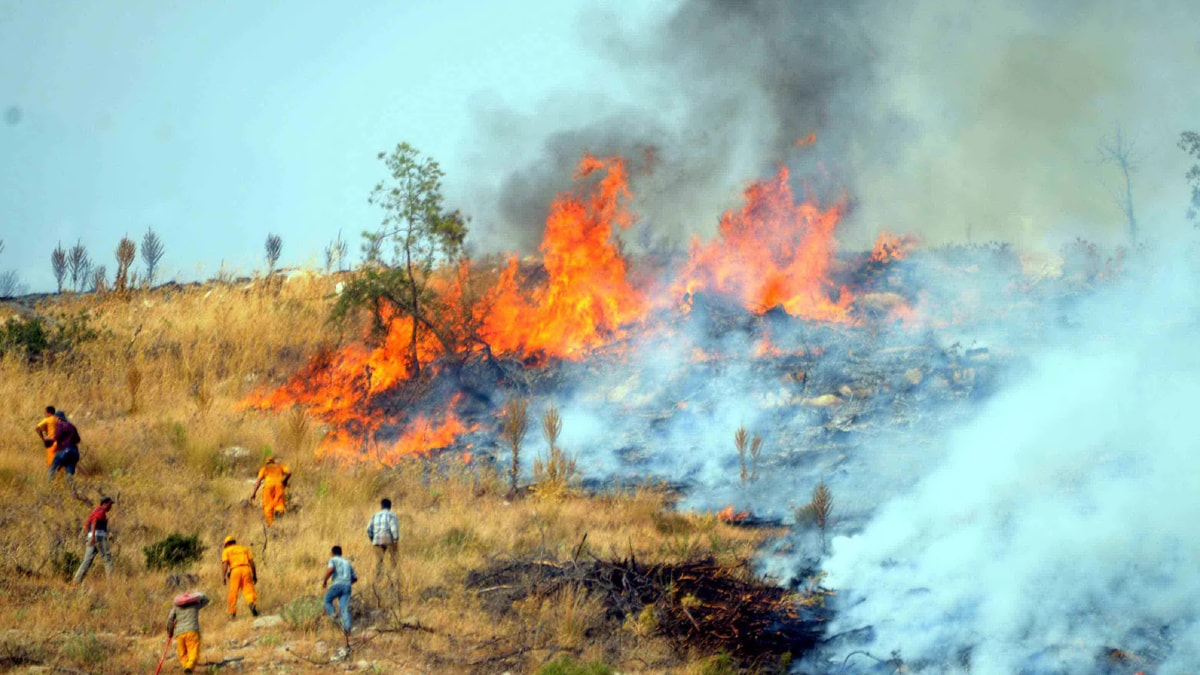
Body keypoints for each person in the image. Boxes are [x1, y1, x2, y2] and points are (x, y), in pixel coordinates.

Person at [166, 592, 210, 674]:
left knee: (182, 654)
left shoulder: (176, 608)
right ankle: (189, 668)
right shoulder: (195, 605)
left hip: (180, 633)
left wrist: (170, 632)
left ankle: (186, 669)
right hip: (192, 632)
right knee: (193, 652)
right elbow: (206, 600)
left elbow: (170, 620)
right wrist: (199, 595)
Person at [73, 497, 114, 583]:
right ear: (105, 504)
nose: (111, 507)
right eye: (110, 504)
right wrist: (94, 537)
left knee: (87, 560)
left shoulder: (95, 511)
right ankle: (111, 583)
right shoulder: (101, 511)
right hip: (99, 538)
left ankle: (76, 581)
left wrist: (90, 535)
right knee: (107, 559)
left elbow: (86, 525)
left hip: (92, 538)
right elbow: (95, 519)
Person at [321, 545, 357, 633]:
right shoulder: (347, 562)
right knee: (344, 608)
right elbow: (355, 578)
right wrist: (347, 583)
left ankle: (335, 619)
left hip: (337, 584)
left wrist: (325, 581)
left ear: (332, 553)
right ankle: (347, 629)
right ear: (341, 553)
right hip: (347, 586)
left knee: (327, 601)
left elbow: (330, 570)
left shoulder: (333, 560)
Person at [220, 536, 258, 618]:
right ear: (234, 542)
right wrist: (254, 575)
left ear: (226, 544)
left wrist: (223, 576)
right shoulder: (244, 549)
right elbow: (252, 562)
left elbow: (225, 564)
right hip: (246, 569)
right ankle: (251, 603)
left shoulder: (226, 551)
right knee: (248, 590)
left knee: (233, 592)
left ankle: (232, 612)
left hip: (235, 571)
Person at [249, 456, 291, 525]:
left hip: (268, 487)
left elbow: (258, 481)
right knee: (279, 503)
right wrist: (284, 481)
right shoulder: (280, 467)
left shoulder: (264, 468)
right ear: (274, 462)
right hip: (279, 485)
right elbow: (289, 472)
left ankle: (270, 523)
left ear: (266, 463)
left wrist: (254, 493)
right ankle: (279, 512)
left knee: (268, 506)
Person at [366, 498, 400, 577]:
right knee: (393, 558)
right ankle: (392, 575)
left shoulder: (375, 515)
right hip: (389, 539)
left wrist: (372, 539)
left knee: (379, 560)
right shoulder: (392, 515)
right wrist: (395, 539)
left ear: (381, 506)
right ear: (390, 506)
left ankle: (378, 576)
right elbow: (394, 528)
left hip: (377, 539)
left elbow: (368, 529)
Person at [48, 411, 81, 483]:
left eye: (55, 418)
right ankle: (73, 491)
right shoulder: (72, 426)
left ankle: (50, 487)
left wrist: (48, 438)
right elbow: (78, 440)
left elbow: (57, 437)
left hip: (63, 451)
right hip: (74, 452)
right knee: (69, 476)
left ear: (58, 418)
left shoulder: (60, 426)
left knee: (52, 470)